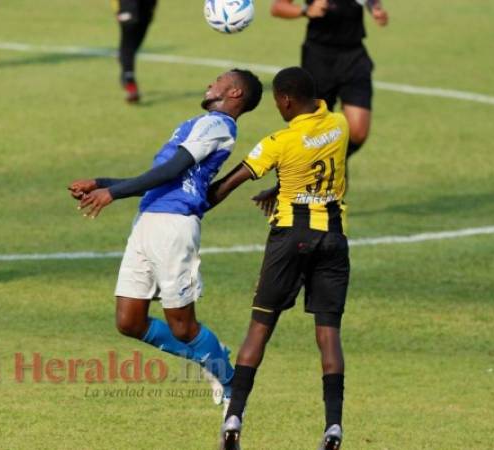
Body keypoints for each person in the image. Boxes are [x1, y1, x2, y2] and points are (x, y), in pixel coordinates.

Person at [68, 69, 263, 409]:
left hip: (172, 227)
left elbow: (172, 171)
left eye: (218, 80)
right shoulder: (198, 124)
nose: (209, 83)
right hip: (148, 221)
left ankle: (230, 381)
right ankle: (209, 357)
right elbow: (160, 177)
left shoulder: (217, 125)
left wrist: (112, 193)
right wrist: (102, 182)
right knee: (129, 321)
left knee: (183, 326)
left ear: (234, 93)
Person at [207, 67, 350, 450]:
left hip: (291, 239)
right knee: (328, 334)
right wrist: (283, 186)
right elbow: (319, 166)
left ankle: (234, 417)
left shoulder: (278, 142)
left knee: (259, 328)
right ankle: (333, 426)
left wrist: (189, 206)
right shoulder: (339, 125)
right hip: (333, 238)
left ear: (286, 100)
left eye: (277, 103)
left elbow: (227, 184)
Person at [270, 0, 388, 160]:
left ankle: (333, 162)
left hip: (354, 55)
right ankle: (316, 171)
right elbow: (277, 7)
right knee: (313, 129)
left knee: (358, 132)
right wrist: (306, 10)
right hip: (318, 57)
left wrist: (375, 8)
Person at [114, 0, 157, 103]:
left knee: (134, 43)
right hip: (127, 4)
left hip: (147, 5)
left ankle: (124, 61)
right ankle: (130, 82)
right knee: (128, 39)